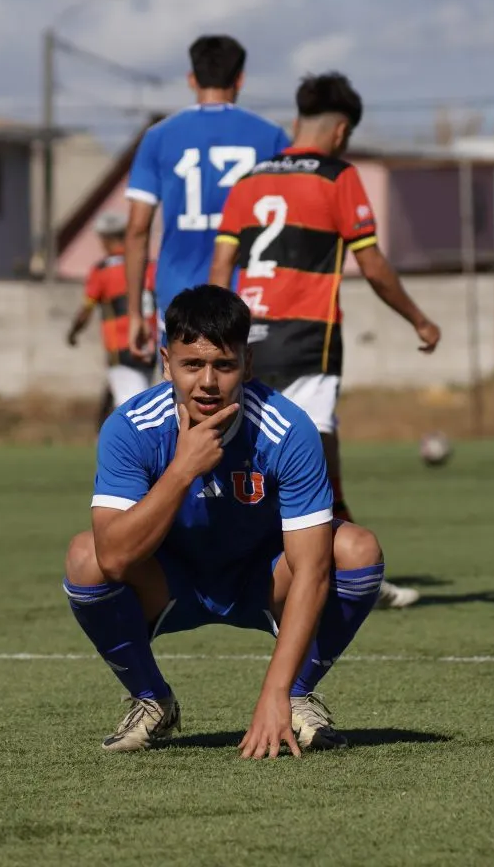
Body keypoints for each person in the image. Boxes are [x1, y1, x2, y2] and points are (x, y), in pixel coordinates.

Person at [63, 285, 384, 756]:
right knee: (83, 556)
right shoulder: (130, 427)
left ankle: (297, 695)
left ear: (247, 366)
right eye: (192, 365)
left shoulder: (288, 429)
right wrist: (182, 469)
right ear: (166, 363)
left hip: (262, 580)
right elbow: (112, 558)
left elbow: (312, 570)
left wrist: (276, 691)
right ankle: (152, 700)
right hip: (170, 584)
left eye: (225, 365)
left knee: (357, 549)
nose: (208, 382)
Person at [209, 72, 441, 611]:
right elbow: (373, 263)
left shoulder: (248, 181)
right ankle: (344, 570)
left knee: (244, 451)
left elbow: (221, 266)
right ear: (340, 132)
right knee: (316, 455)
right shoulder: (339, 176)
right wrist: (418, 319)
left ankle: (247, 566)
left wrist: (219, 339)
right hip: (307, 336)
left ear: (297, 122)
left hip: (247, 337)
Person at [124, 35, 291, 358]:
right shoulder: (271, 136)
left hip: (179, 299)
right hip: (251, 299)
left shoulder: (158, 137)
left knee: (186, 401)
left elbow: (137, 229)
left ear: (191, 79)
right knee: (252, 403)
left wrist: (134, 313)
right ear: (240, 79)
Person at [66, 210, 158, 416]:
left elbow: (85, 311)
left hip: (122, 345)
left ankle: (124, 444)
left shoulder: (103, 270)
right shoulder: (149, 265)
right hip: (150, 344)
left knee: (130, 406)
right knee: (137, 393)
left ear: (106, 239)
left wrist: (73, 332)